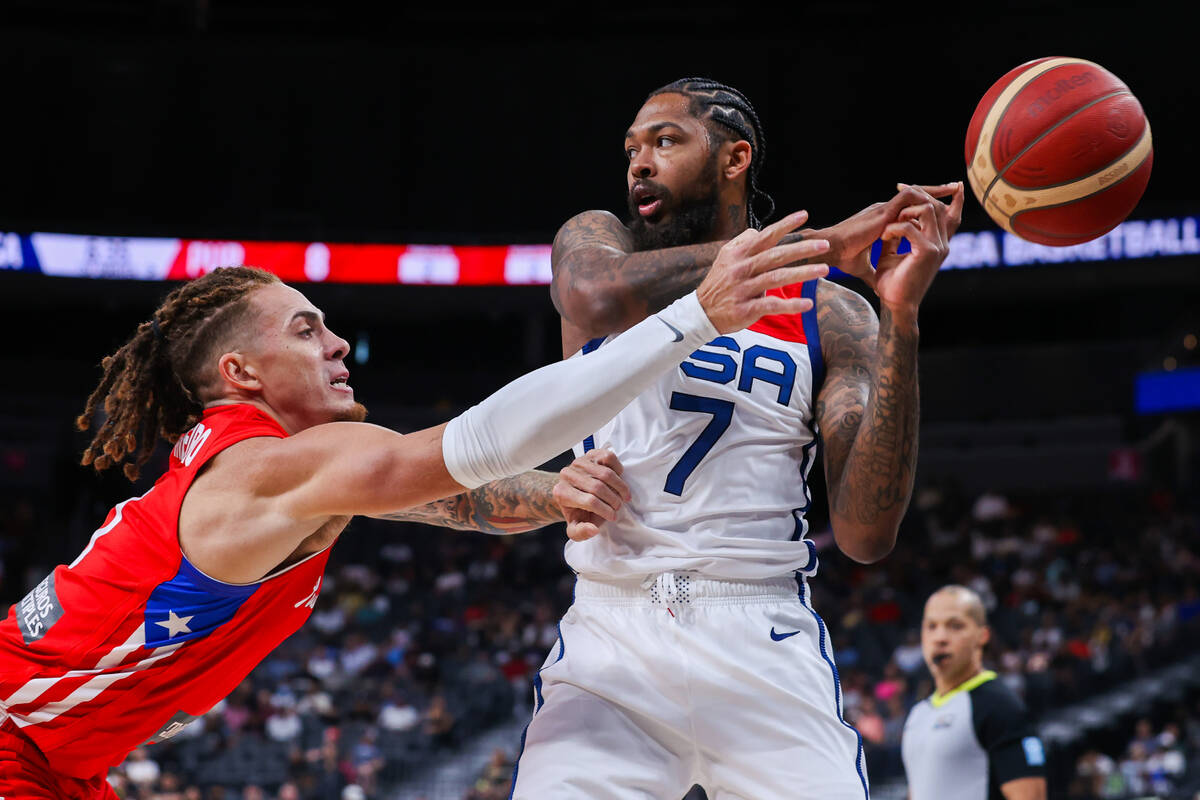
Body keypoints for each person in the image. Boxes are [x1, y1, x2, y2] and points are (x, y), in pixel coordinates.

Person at [0, 224, 826, 799]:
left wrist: (558, 493)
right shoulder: (261, 471)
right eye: (306, 330)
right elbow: (474, 446)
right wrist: (691, 320)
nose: (335, 344)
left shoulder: (288, 474)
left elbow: (456, 501)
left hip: (66, 762)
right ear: (243, 373)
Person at [511, 77, 965, 799]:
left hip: (762, 633)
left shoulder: (830, 310)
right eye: (631, 147)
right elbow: (591, 296)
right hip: (613, 640)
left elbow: (864, 534)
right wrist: (815, 245)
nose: (638, 161)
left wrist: (900, 318)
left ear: (734, 158)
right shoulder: (603, 247)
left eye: (664, 141)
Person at [901, 585, 1047, 800]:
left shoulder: (1000, 706)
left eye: (955, 626)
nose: (940, 637)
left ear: (982, 635)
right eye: (931, 626)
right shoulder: (917, 715)